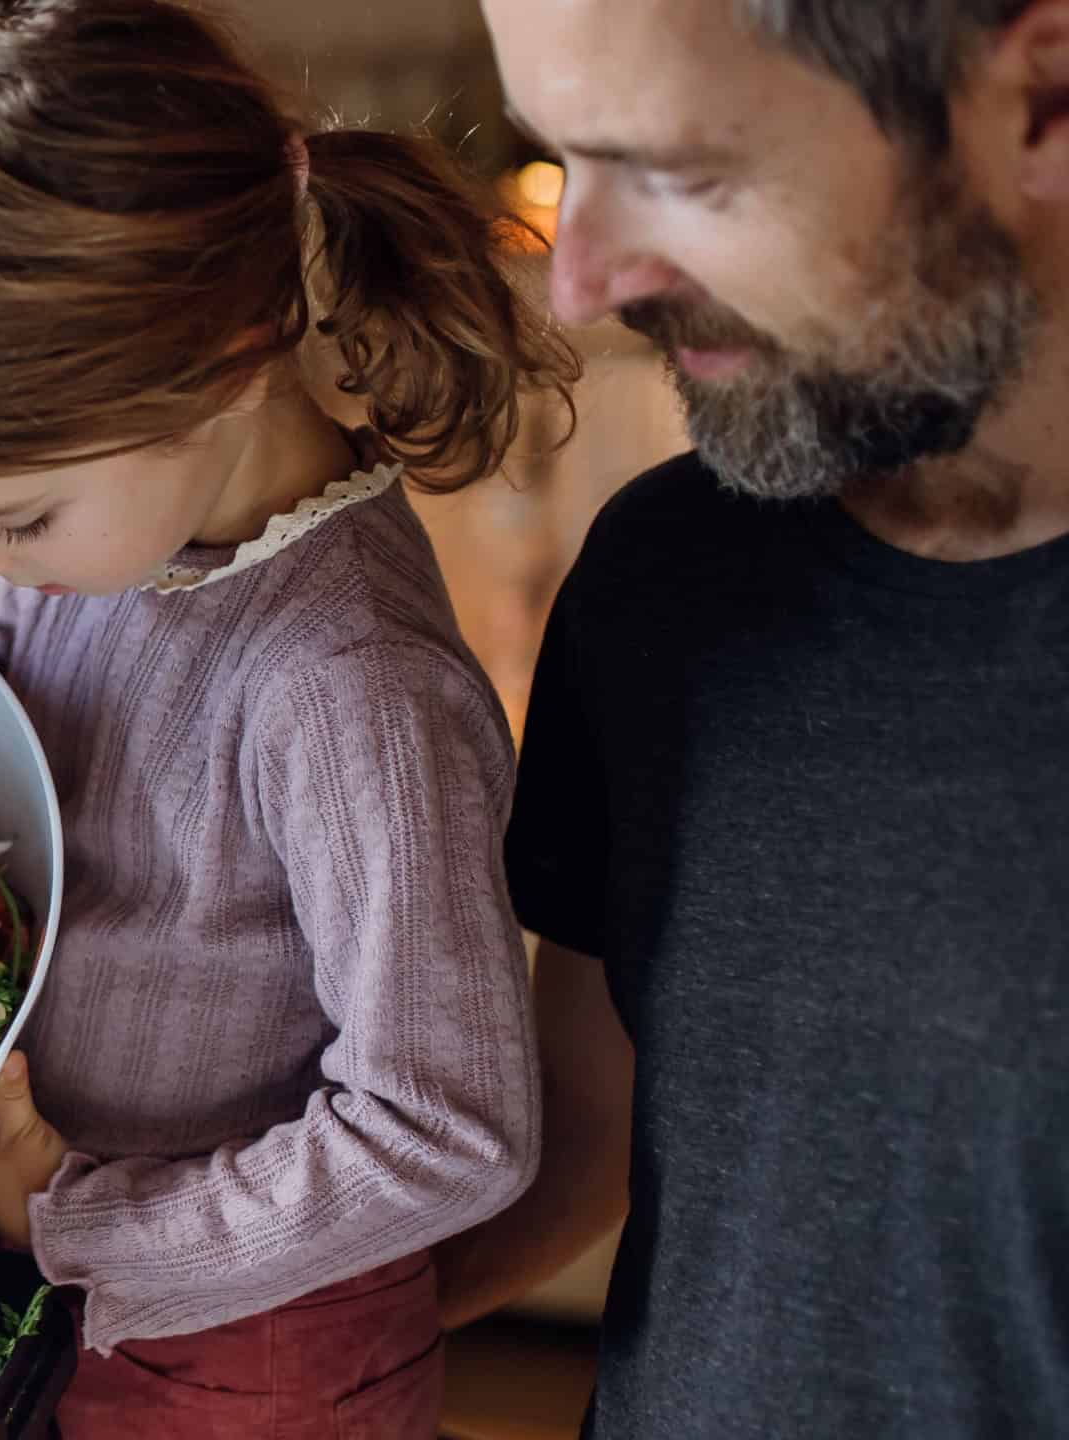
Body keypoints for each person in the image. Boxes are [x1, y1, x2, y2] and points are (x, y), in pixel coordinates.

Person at [0, 1, 578, 1432]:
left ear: (219, 362)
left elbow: (448, 1131)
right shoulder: (109, 549)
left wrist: (78, 1227)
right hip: (56, 1287)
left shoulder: (348, 681)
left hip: (252, 1358)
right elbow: (1, 772)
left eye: (8, 512)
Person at [436, 0, 1069, 1434]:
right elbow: (589, 1135)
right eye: (563, 161)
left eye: (683, 171)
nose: (577, 286)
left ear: (1041, 99)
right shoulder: (669, 575)